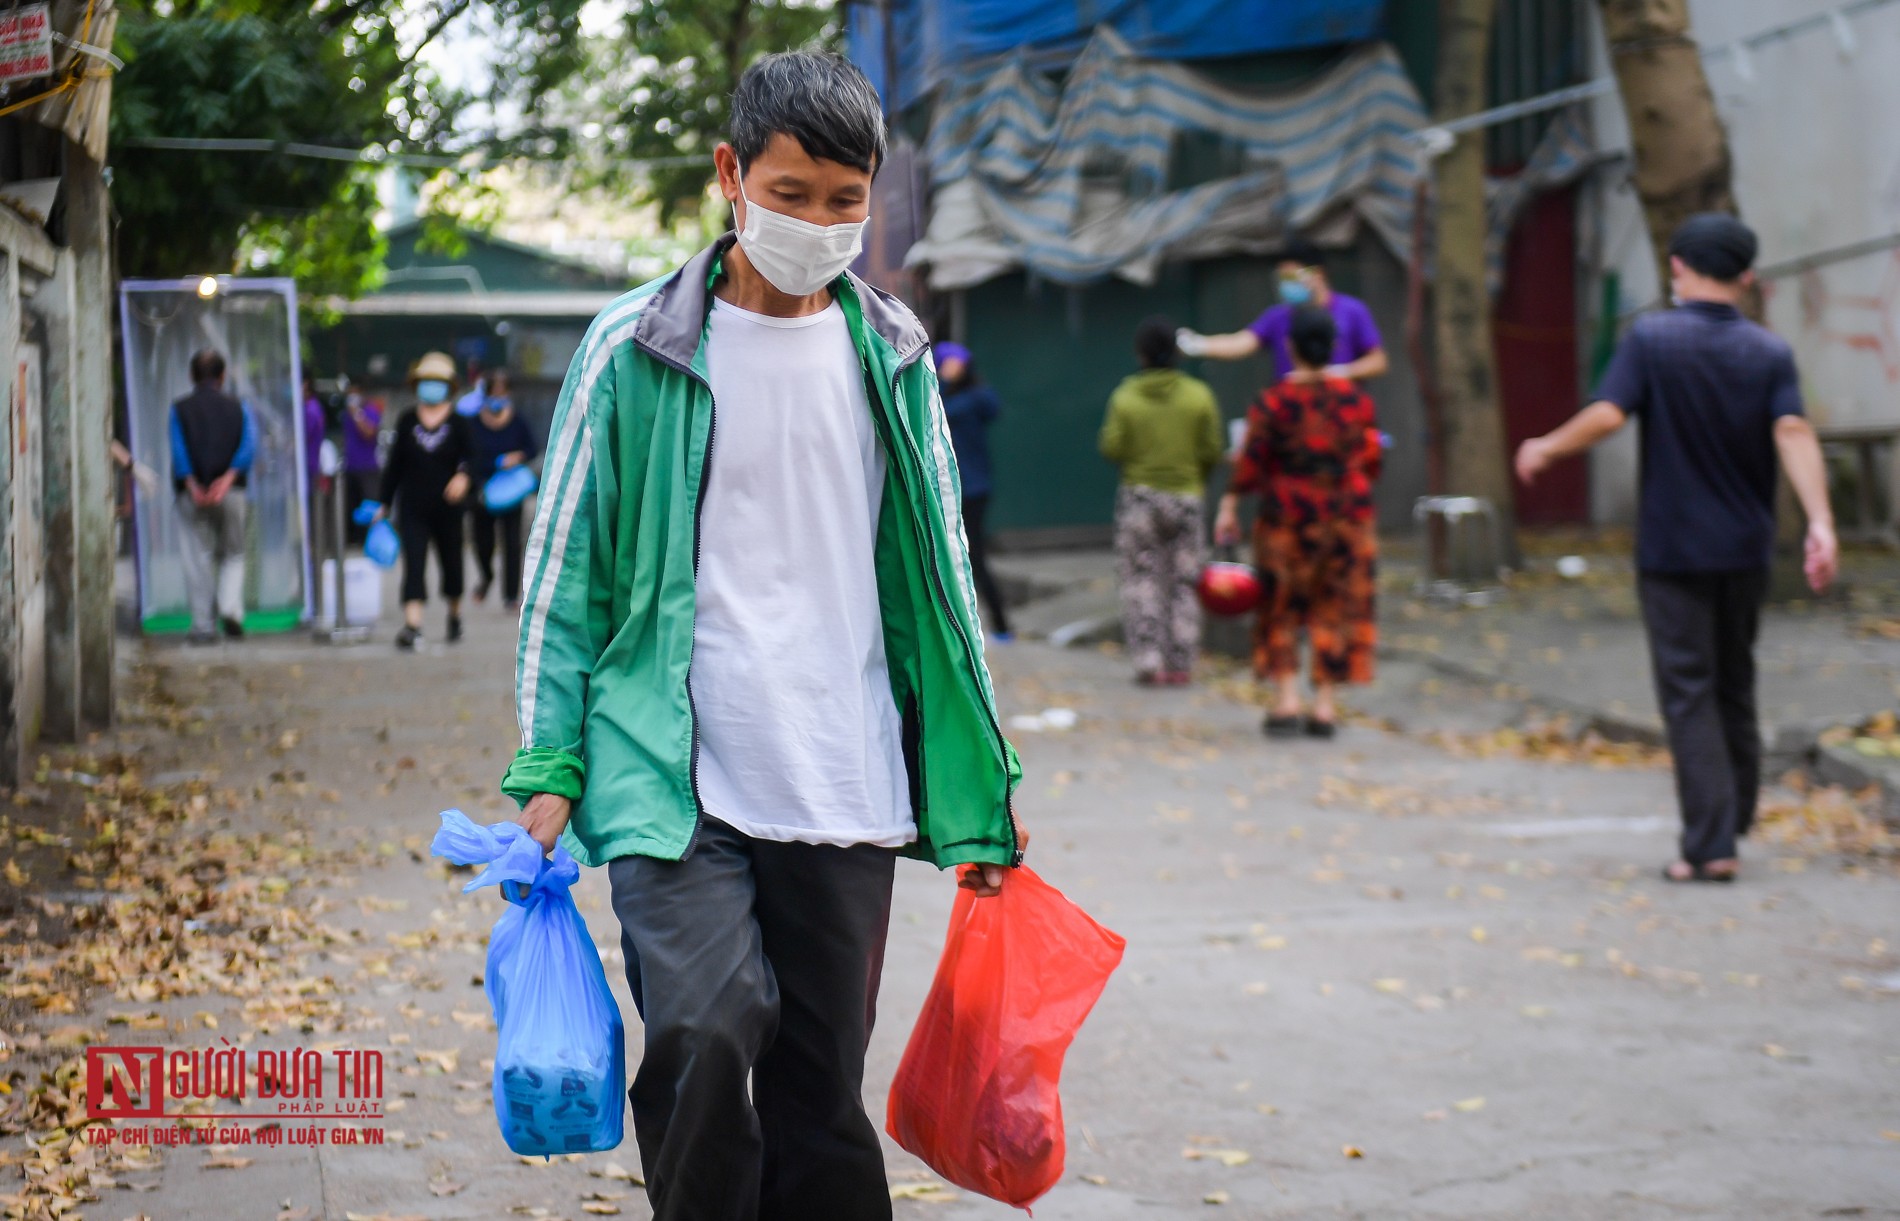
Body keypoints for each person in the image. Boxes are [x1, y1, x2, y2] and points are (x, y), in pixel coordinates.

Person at [502, 51, 1028, 1221]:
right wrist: (549, 759)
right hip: (669, 761)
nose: (819, 224)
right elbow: (564, 575)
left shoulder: (893, 356)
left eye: (846, 202)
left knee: (819, 1088)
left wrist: (979, 778)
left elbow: (941, 581)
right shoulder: (633, 347)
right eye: (791, 197)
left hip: (840, 768)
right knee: (703, 1024)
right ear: (731, 175)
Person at [1515, 213, 1838, 885]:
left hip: (1673, 549)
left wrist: (1547, 444)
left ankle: (1709, 842)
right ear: (1747, 278)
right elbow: (1794, 429)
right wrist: (1821, 522)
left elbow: (1609, 413)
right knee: (1734, 678)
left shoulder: (1652, 340)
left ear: (1678, 268)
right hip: (1746, 548)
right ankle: (1735, 811)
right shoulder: (1769, 351)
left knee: (1689, 689)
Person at [1215, 305, 1382, 739]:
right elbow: (1372, 458)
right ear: (1332, 347)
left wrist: (1230, 503)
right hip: (1346, 517)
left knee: (1281, 605)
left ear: (1289, 347)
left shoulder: (1273, 403)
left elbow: (1252, 463)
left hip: (1286, 516)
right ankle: (1325, 706)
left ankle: (1287, 699)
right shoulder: (1356, 401)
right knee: (1337, 605)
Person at [1099, 317, 1225, 686]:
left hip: (1139, 498)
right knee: (1184, 581)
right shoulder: (1199, 395)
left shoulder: (1125, 396)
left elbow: (1112, 447)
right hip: (1186, 496)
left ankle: (1149, 661)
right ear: (1177, 353)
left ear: (1140, 354)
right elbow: (1212, 449)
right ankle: (1181, 663)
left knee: (1142, 579)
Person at [1174, 237, 1389, 385]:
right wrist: (1199, 345)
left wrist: (1338, 374)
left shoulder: (1352, 311)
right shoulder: (1279, 317)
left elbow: (1378, 361)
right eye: (1282, 279)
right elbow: (1242, 342)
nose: (1286, 285)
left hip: (1341, 418)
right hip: (1293, 419)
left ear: (1318, 274)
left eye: (1292, 277)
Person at [376, 351, 474, 650]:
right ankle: (412, 625)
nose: (431, 386)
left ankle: (454, 615)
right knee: (414, 564)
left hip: (449, 508)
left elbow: (473, 459)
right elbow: (394, 465)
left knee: (452, 564)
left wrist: (464, 477)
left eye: (437, 381)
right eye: (426, 381)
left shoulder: (459, 423)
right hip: (413, 507)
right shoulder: (407, 420)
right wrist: (383, 503)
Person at [168, 348, 257, 645]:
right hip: (232, 493)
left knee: (198, 557)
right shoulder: (239, 406)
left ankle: (203, 625)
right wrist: (228, 480)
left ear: (192, 376)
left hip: (191, 495)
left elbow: (178, 449)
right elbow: (249, 444)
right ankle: (231, 609)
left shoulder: (179, 409)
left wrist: (193, 484)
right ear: (223, 375)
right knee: (234, 552)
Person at [933, 341, 1013, 641]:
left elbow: (990, 406)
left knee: (973, 556)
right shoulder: (938, 396)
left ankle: (1001, 626)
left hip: (973, 488)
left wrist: (949, 378)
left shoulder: (975, 397)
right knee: (950, 556)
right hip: (947, 487)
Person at [469, 368, 537, 608]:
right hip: (483, 491)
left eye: (503, 391)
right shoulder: (474, 423)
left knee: (511, 543)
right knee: (483, 541)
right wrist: (494, 463)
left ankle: (510, 595)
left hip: (511, 490)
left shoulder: (517, 421)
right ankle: (486, 576)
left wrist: (517, 457)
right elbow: (470, 456)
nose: (499, 396)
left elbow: (531, 448)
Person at [341, 382, 384, 543]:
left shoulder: (370, 411)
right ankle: (353, 539)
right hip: (351, 466)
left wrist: (357, 414)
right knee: (352, 506)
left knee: (370, 505)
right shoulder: (347, 415)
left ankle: (371, 539)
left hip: (368, 468)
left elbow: (368, 433)